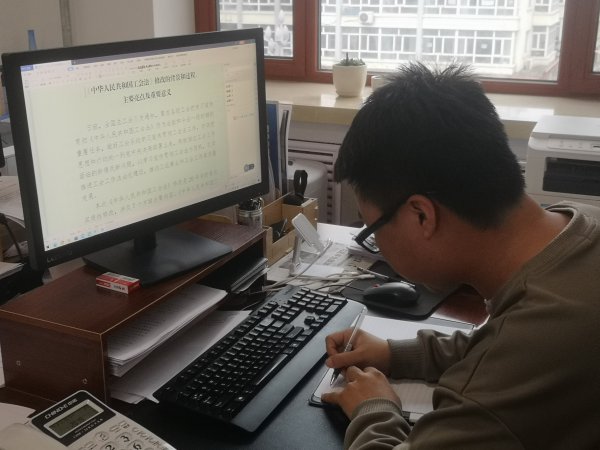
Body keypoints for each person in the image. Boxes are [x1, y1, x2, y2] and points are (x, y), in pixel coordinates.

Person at [321, 62, 600, 449]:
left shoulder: (516, 367)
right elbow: (501, 343)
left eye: (373, 229)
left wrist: (375, 408)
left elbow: (515, 353)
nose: (377, 244)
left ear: (422, 216)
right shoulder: (580, 225)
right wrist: (396, 353)